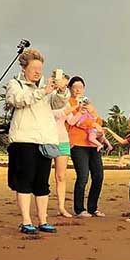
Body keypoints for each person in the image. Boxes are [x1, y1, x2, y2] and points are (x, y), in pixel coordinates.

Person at [3, 47, 59, 235]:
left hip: (45, 140)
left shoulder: (47, 87)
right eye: (34, 68)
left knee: (42, 182)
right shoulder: (15, 83)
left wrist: (61, 90)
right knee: (24, 181)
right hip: (23, 140)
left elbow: (59, 104)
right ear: (24, 67)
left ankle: (43, 220)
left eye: (40, 69)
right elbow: (18, 100)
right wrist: (42, 91)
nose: (37, 72)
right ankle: (26, 220)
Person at [65, 76, 107, 217]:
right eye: (75, 87)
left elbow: (99, 122)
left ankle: (92, 207)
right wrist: (89, 120)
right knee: (83, 176)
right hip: (77, 143)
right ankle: (79, 208)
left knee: (98, 175)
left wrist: (93, 113)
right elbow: (75, 123)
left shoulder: (88, 103)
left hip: (93, 143)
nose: (78, 90)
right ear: (70, 88)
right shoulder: (68, 103)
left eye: (81, 87)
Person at [48, 69, 73, 218]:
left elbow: (70, 119)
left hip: (63, 139)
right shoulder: (47, 96)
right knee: (43, 174)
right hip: (47, 139)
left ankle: (62, 207)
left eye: (64, 80)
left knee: (61, 176)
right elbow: (55, 113)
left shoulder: (66, 99)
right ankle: (41, 203)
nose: (61, 82)